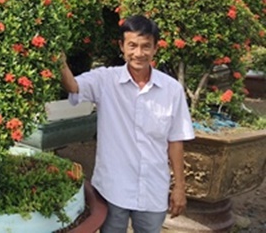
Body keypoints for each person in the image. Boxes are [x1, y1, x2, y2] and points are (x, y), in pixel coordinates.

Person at [59, 14, 195, 233]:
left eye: (145, 46)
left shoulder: (172, 90)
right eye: (132, 45)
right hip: (113, 188)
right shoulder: (105, 80)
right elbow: (74, 87)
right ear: (122, 46)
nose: (138, 53)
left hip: (153, 189)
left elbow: (176, 140)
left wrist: (180, 187)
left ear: (155, 49)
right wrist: (59, 61)